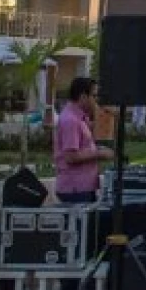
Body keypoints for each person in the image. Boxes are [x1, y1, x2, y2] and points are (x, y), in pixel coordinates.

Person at [52, 77, 112, 205]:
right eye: (94, 96)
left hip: (83, 187)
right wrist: (99, 153)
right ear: (83, 97)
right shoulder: (71, 120)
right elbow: (70, 157)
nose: (96, 100)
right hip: (75, 189)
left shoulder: (79, 117)